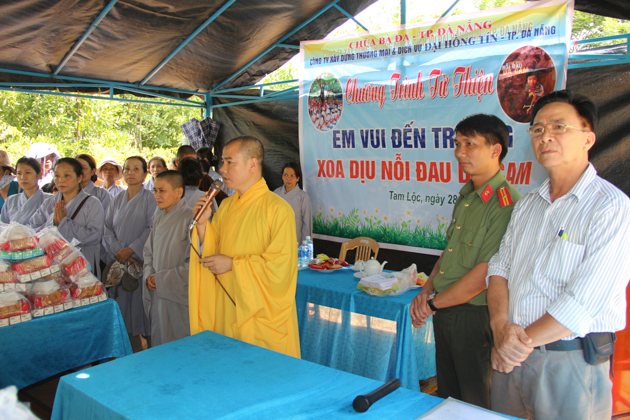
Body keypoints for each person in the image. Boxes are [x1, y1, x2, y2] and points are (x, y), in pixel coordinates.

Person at [487, 90, 630, 420]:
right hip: (510, 355)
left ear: (588, 139)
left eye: (558, 127)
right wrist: (500, 328)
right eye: (537, 129)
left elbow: (584, 300)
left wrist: (516, 344)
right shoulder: (527, 205)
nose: (545, 136)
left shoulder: (610, 207)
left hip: (569, 361)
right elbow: (499, 268)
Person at [409, 114, 522, 409]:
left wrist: (432, 304)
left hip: (475, 316)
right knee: (449, 397)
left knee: (475, 404)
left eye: (470, 144)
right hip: (446, 310)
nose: (460, 152)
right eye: (457, 144)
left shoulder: (506, 203)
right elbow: (450, 252)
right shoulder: (467, 196)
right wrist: (426, 290)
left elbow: (486, 273)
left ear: (495, 150)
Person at [189, 136, 300, 358]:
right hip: (227, 305)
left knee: (261, 373)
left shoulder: (278, 210)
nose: (222, 169)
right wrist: (202, 225)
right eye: (222, 162)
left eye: (230, 162)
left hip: (259, 315)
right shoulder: (226, 206)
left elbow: (281, 269)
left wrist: (233, 264)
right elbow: (212, 252)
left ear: (252, 164)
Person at [104, 156, 156, 352]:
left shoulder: (150, 198)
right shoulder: (116, 199)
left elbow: (151, 228)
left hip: (139, 263)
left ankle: (151, 351)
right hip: (119, 261)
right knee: (123, 309)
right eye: (127, 169)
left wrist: (131, 249)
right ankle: (128, 351)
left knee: (142, 309)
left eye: (136, 169)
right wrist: (118, 249)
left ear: (145, 174)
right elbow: (107, 227)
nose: (130, 173)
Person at [29, 158, 104, 276]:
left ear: (79, 178)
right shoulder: (50, 202)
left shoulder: (92, 203)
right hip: (53, 264)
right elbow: (33, 227)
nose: (61, 180)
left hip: (82, 263)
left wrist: (64, 223)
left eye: (67, 175)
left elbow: (95, 235)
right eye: (57, 176)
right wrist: (53, 221)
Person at [143, 170, 193, 347]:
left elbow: (195, 264)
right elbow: (148, 251)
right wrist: (149, 275)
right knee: (160, 341)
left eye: (162, 191)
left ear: (178, 192)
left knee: (180, 345)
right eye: (155, 191)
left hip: (178, 295)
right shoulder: (159, 218)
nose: (157, 196)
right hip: (157, 290)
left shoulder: (192, 219)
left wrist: (162, 279)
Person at [1, 157, 51, 224]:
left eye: (27, 172)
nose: (23, 177)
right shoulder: (11, 201)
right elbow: (3, 226)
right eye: (19, 173)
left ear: (39, 174)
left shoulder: (50, 200)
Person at [273, 162, 312, 245]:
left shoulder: (303, 197)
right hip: (276, 241)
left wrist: (305, 247)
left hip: (295, 242)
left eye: (292, 176)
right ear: (282, 177)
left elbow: (307, 225)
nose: (288, 178)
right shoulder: (275, 194)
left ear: (297, 178)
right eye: (286, 175)